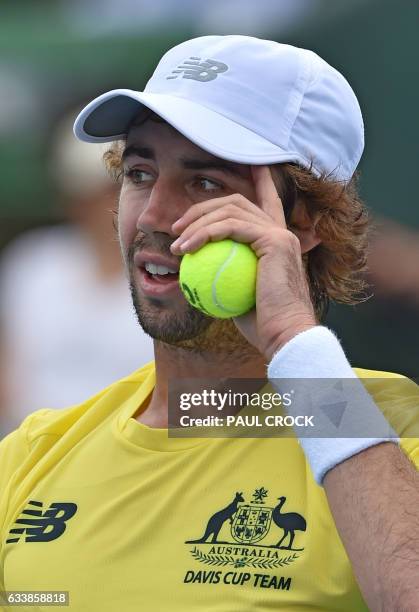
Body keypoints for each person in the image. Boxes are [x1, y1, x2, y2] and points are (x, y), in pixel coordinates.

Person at [0, 35, 418, 611]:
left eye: (205, 184)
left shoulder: (394, 435)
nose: (153, 217)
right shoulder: (35, 450)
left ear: (305, 222)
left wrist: (293, 338)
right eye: (140, 173)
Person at [0, 112, 154, 435]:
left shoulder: (166, 276)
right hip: (28, 451)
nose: (109, 203)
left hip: (126, 454)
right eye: (93, 192)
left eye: (122, 185)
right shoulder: (32, 262)